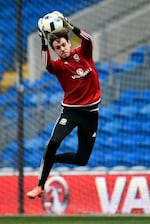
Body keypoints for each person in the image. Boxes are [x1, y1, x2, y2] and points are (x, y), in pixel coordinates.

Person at [26, 11, 101, 199]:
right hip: (71, 112)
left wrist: (70, 26)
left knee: (82, 159)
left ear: (69, 43)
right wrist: (44, 41)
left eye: (63, 44)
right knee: (53, 143)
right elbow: (46, 64)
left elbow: (89, 40)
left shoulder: (83, 54)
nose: (61, 49)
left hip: (91, 114)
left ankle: (52, 160)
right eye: (57, 47)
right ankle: (40, 185)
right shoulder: (59, 65)